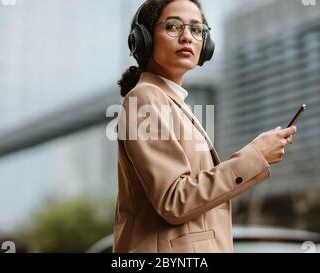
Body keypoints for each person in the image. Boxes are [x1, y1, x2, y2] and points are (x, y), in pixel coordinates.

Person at [113, 0, 297, 253]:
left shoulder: (173, 103)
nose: (187, 37)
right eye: (173, 26)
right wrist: (255, 156)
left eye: (197, 30)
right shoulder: (144, 98)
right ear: (144, 39)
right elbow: (175, 201)